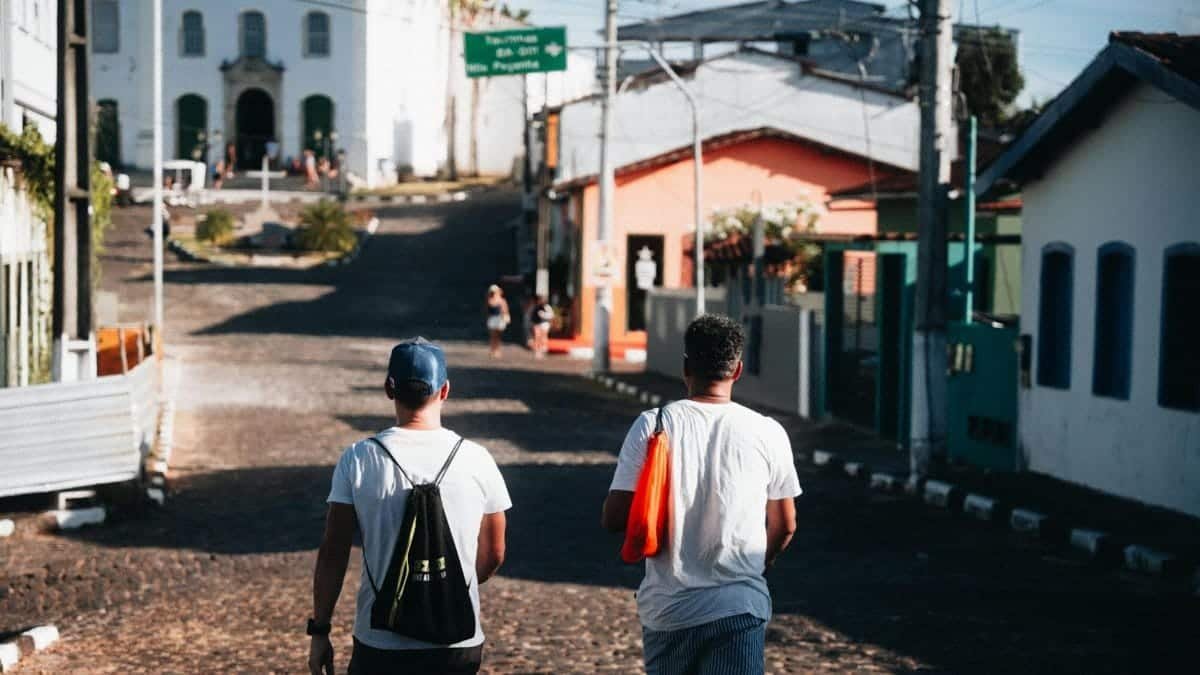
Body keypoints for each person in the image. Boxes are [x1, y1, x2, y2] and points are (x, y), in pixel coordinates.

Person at [601, 314, 801, 675]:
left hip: (670, 610)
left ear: (685, 367)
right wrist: (760, 563)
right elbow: (785, 525)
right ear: (738, 370)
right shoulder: (768, 432)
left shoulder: (654, 424)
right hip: (740, 605)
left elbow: (614, 518)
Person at [310, 338, 511, 675]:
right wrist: (440, 589)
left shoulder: (359, 458)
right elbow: (494, 554)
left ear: (389, 388)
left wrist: (320, 632)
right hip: (456, 642)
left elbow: (333, 552)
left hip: (381, 645)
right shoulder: (478, 459)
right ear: (445, 390)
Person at [484, 285, 510, 359]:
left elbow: (505, 310)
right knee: (492, 336)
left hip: (500, 319)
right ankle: (492, 350)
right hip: (492, 319)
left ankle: (497, 350)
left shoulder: (502, 300)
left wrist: (506, 316)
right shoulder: (489, 300)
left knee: (498, 336)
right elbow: (487, 310)